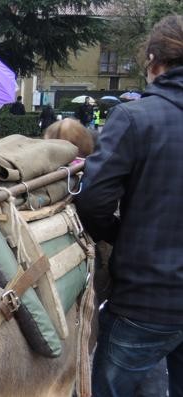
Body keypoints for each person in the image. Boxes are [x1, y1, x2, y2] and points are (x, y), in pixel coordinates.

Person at [76, 15, 183, 397]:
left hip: (146, 300)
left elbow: (93, 201)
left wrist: (122, 236)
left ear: (154, 59)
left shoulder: (135, 118)